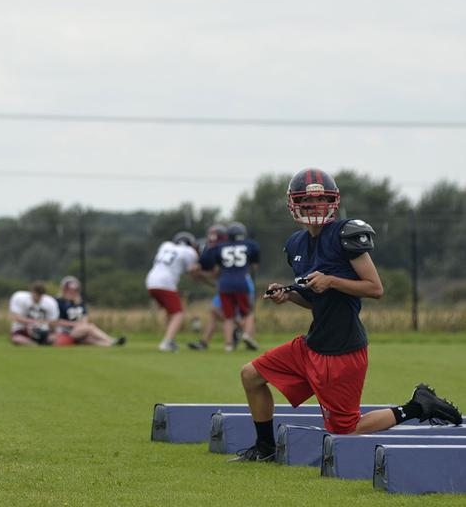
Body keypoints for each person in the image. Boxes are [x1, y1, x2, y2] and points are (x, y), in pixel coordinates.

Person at [233, 168, 462, 462]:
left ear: (332, 202)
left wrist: (331, 281)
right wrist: (289, 295)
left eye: (321, 200)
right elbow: (318, 302)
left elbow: (375, 288)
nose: (314, 206)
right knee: (251, 375)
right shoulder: (296, 245)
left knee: (345, 430)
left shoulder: (346, 235)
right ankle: (264, 449)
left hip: (341, 351)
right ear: (295, 204)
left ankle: (417, 407)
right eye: (307, 200)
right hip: (312, 345)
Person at [189, 224, 256, 351]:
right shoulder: (231, 246)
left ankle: (244, 335)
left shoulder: (221, 248)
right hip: (233, 283)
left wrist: (200, 273)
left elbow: (217, 273)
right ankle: (205, 342)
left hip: (236, 283)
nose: (213, 239)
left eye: (216, 237)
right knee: (219, 313)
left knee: (237, 314)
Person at [145, 231, 204, 352]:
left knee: (170, 312)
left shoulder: (165, 246)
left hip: (150, 280)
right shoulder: (189, 252)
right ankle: (166, 342)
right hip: (165, 283)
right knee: (178, 314)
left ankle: (170, 340)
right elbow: (192, 270)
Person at [54, 276, 125, 347]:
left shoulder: (79, 302)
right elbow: (57, 321)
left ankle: (110, 344)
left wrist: (82, 324)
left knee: (89, 340)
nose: (72, 292)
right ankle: (111, 340)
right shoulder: (58, 302)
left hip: (80, 330)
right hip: (66, 331)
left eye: (75, 290)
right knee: (90, 327)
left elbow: (85, 316)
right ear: (64, 290)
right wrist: (74, 324)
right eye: (69, 290)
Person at [9, 282, 60, 346]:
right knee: (16, 338)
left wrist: (47, 329)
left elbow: (53, 322)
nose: (37, 296)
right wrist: (34, 322)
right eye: (37, 293)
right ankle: (34, 344)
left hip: (42, 330)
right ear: (32, 291)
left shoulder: (50, 302)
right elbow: (16, 317)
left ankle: (41, 343)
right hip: (23, 329)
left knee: (53, 338)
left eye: (40, 294)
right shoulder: (20, 297)